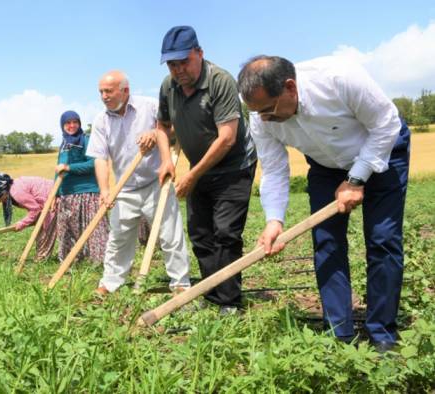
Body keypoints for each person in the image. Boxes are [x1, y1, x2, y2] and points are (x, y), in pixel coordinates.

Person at [237, 55, 410, 352]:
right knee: (327, 242)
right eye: (257, 112)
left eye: (268, 110)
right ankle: (340, 334)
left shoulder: (340, 78)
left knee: (383, 240)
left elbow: (385, 124)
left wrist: (356, 180)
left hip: (382, 150)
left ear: (290, 87)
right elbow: (275, 168)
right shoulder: (259, 117)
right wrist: (274, 220)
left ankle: (382, 334)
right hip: (326, 167)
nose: (263, 118)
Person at [155, 26, 257, 313]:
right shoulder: (168, 86)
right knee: (200, 233)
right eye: (172, 64)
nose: (178, 70)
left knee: (225, 232)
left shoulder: (220, 81)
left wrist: (192, 175)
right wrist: (166, 160)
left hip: (234, 167)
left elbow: (226, 139)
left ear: (199, 53)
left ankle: (230, 302)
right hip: (200, 168)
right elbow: (162, 127)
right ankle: (212, 295)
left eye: (183, 61)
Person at [87, 70, 191, 296]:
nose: (104, 96)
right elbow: (100, 158)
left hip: (157, 183)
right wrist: (105, 190)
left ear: (125, 91)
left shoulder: (150, 106)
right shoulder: (101, 121)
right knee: (118, 238)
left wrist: (156, 133)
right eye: (101, 92)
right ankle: (110, 283)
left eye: (109, 91)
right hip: (124, 188)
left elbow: (175, 128)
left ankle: (180, 283)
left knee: (170, 234)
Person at [54, 110, 109, 264]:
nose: (72, 125)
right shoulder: (64, 145)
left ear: (79, 123)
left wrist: (69, 167)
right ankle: (71, 262)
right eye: (68, 123)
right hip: (66, 193)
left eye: (75, 122)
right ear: (62, 125)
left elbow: (93, 164)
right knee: (67, 229)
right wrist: (54, 195)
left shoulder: (87, 140)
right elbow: (58, 170)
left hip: (87, 192)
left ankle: (103, 263)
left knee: (95, 229)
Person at [0, 173, 57, 261]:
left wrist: (21, 224)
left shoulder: (16, 192)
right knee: (43, 227)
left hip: (53, 198)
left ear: (3, 191)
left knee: (46, 231)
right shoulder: (14, 187)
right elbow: (35, 210)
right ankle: (42, 256)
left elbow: (35, 210)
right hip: (47, 200)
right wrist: (25, 223)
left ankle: (42, 259)